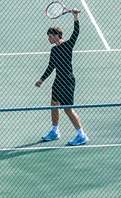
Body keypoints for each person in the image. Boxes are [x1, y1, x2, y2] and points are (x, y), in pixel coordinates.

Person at [35, 8, 87, 146]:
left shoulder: (68, 46)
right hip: (58, 81)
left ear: (57, 35)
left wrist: (75, 17)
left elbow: (76, 33)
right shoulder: (54, 50)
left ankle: (81, 135)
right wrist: (42, 79)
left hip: (68, 81)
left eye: (50, 36)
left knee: (68, 109)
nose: (48, 39)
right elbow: (51, 66)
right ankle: (55, 131)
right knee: (54, 104)